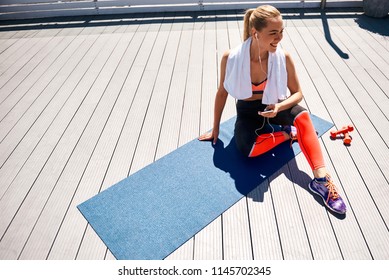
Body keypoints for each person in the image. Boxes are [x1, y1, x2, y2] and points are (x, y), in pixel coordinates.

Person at [198, 5, 346, 215]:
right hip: (248, 112)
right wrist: (215, 129)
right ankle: (287, 135)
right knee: (248, 151)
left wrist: (278, 106)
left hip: (275, 106)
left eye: (281, 31)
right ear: (255, 33)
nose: (279, 38)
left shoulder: (283, 57)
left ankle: (321, 180)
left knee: (302, 115)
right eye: (273, 33)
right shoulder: (230, 58)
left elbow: (297, 94)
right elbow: (222, 93)